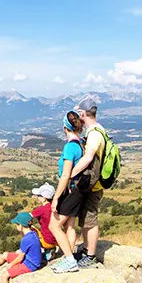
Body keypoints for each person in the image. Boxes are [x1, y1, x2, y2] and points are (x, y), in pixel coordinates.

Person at [70, 95, 106, 268]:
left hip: (93, 185)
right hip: (93, 183)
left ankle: (90, 255)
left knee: (90, 219)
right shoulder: (99, 130)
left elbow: (88, 158)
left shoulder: (93, 135)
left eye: (79, 113)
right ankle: (86, 250)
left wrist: (71, 174)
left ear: (83, 114)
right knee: (85, 218)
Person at [50, 111, 85, 274]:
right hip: (78, 190)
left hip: (69, 191)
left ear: (65, 127)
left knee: (54, 226)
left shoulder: (70, 147)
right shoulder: (81, 143)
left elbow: (65, 174)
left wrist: (56, 198)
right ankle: (68, 256)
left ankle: (70, 261)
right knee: (70, 225)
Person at [30, 183, 57, 259]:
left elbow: (27, 217)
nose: (37, 197)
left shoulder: (41, 209)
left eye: (39, 196)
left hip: (46, 241)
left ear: (44, 198)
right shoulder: (55, 206)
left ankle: (38, 254)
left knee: (30, 230)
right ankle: (49, 250)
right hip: (56, 239)